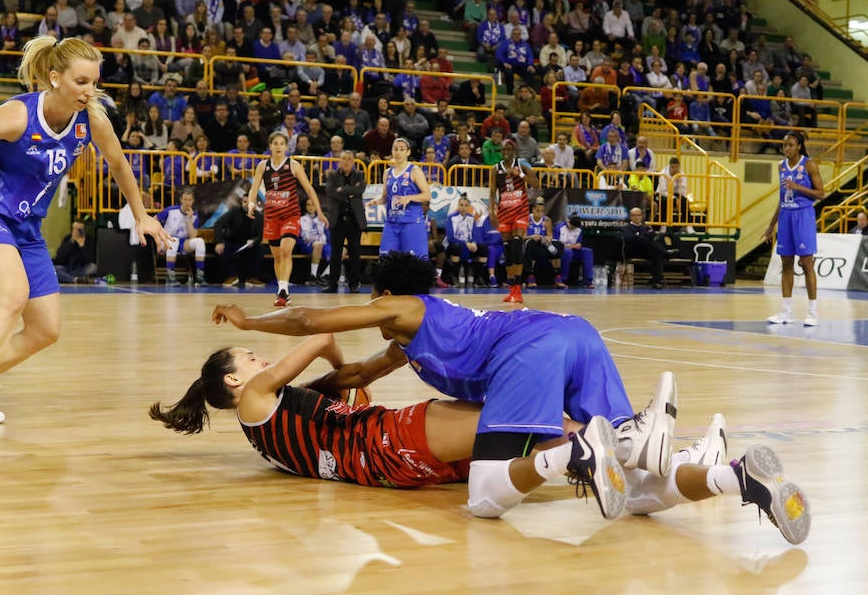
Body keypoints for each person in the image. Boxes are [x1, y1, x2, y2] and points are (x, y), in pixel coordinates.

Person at [151, 333, 812, 545]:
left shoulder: (264, 434)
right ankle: (639, 438)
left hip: (391, 464)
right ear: (233, 382)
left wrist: (342, 390)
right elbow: (318, 341)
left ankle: (730, 476)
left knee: (617, 487)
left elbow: (317, 423)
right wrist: (337, 366)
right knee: (546, 427)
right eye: (249, 357)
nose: (261, 359)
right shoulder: (258, 399)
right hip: (389, 438)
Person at [210, 252, 683, 521]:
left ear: (384, 295)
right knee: (613, 429)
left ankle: (582, 453)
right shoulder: (408, 342)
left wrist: (250, 322)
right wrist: (333, 376)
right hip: (570, 331)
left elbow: (310, 319)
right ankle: (662, 452)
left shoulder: (401, 309)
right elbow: (356, 375)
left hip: (527, 346)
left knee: (492, 481)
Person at [0, 36, 172, 425]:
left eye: (94, 82)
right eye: (81, 82)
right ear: (55, 78)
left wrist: (142, 215)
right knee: (12, 295)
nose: (89, 91)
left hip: (27, 228)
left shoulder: (92, 120)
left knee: (45, 329)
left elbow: (118, 164)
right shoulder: (18, 115)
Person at [248, 132, 327, 307]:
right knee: (277, 256)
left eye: (281, 143)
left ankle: (283, 290)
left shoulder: (293, 165)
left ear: (286, 147)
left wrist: (320, 211)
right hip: (271, 217)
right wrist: (251, 204)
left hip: (290, 215)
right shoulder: (263, 166)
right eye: (274, 143)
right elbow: (253, 189)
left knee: (285, 251)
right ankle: (282, 290)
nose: (278, 146)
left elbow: (309, 189)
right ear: (270, 146)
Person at [763, 131, 825, 327]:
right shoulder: (781, 166)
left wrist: (798, 187)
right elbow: (781, 199)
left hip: (803, 216)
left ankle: (813, 312)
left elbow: (821, 194)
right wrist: (771, 225)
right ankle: (786, 312)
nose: (786, 148)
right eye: (784, 145)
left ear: (799, 145)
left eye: (790, 144)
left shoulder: (809, 165)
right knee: (786, 263)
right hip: (786, 216)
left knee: (807, 264)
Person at [490, 139, 539, 303]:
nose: (506, 151)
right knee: (508, 251)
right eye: (504, 149)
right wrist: (492, 212)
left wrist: (521, 175)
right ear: (501, 151)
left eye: (509, 149)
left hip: (520, 209)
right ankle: (512, 289)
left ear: (514, 150)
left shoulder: (522, 164)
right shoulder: (495, 169)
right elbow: (491, 192)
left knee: (517, 245)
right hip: (504, 211)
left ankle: (518, 288)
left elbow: (536, 184)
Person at [367, 138, 431, 259]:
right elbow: (385, 197)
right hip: (391, 223)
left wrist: (409, 198)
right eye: (396, 149)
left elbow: (427, 195)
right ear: (392, 151)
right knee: (386, 260)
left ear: (408, 152)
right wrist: (376, 201)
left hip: (411, 222)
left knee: (415, 262)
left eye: (402, 149)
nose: (398, 152)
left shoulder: (415, 171)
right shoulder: (387, 173)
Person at [321, 151, 367, 294]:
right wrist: (350, 193)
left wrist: (342, 189)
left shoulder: (359, 175)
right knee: (335, 254)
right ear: (339, 161)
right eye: (343, 159)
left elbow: (361, 189)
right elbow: (330, 192)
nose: (346, 162)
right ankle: (332, 284)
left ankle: (354, 284)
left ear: (353, 162)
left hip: (354, 220)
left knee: (355, 253)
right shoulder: (333, 175)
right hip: (337, 219)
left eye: (349, 159)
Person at [156, 188, 207, 286]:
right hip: (167, 241)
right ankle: (170, 274)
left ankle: (200, 275)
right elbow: (154, 221)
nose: (187, 202)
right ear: (181, 200)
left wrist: (188, 219)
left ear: (193, 201)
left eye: (189, 200)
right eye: (185, 199)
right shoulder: (170, 210)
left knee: (199, 241)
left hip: (183, 243)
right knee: (174, 240)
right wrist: (158, 238)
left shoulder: (194, 215)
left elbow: (193, 236)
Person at [214, 193, 264, 289]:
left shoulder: (259, 216)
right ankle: (232, 276)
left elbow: (260, 236)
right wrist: (219, 242)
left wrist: (254, 241)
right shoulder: (234, 211)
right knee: (222, 249)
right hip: (232, 243)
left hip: (249, 245)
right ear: (241, 202)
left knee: (260, 250)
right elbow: (218, 224)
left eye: (249, 202)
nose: (246, 204)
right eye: (245, 201)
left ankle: (251, 278)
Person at [620, 207, 676, 290]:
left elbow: (652, 234)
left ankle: (656, 282)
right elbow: (630, 238)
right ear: (630, 217)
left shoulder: (646, 227)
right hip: (634, 251)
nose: (636, 217)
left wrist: (639, 235)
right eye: (634, 215)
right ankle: (666, 253)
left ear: (642, 216)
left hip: (647, 251)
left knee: (656, 254)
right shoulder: (625, 228)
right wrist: (642, 236)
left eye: (638, 215)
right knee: (647, 243)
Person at [444, 195, 488, 287]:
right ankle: (454, 277)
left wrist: (474, 243)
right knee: (456, 246)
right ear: (458, 206)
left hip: (469, 245)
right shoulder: (451, 218)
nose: (463, 207)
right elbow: (450, 238)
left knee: (483, 248)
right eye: (461, 205)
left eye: (466, 205)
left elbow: (475, 234)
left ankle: (479, 278)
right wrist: (466, 243)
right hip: (455, 245)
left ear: (469, 207)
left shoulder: (472, 218)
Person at [522, 197, 566, 288]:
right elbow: (522, 237)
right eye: (538, 211)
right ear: (533, 209)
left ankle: (557, 277)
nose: (540, 213)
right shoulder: (526, 219)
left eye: (542, 211)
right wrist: (532, 236)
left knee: (558, 245)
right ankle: (531, 276)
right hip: (529, 244)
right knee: (532, 244)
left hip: (542, 244)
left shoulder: (547, 220)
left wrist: (548, 238)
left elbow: (550, 236)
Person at [297, 198, 331, 285]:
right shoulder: (300, 220)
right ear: (305, 207)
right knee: (318, 244)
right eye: (308, 205)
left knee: (342, 250)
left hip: (323, 244)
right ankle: (313, 276)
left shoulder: (322, 219)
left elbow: (328, 237)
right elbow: (299, 238)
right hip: (307, 245)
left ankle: (325, 275)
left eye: (313, 205)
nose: (311, 207)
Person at [53, 219, 97, 283]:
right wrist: (71, 242)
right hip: (67, 267)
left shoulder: (89, 240)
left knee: (93, 267)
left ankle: (64, 277)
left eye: (79, 230)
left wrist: (82, 246)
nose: (76, 232)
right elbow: (59, 256)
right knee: (52, 269)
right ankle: (75, 279)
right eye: (74, 229)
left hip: (81, 268)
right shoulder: (67, 238)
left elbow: (89, 260)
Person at [556, 214, 595, 288]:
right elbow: (555, 242)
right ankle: (563, 279)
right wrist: (568, 246)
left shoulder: (579, 229)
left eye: (575, 227)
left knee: (588, 251)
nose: (573, 229)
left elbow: (579, 244)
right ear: (568, 221)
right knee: (567, 252)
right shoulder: (559, 228)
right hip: (561, 251)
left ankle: (588, 280)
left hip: (574, 251)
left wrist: (572, 246)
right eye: (572, 227)